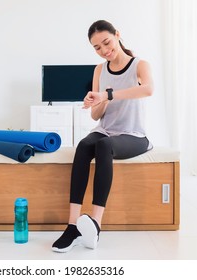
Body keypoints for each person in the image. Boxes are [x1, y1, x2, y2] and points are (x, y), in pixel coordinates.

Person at [52, 20, 154, 253]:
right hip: (105, 129)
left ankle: (96, 224)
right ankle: (72, 226)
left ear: (117, 35)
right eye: (97, 47)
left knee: (104, 146)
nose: (104, 50)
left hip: (133, 134)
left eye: (106, 42)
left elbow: (148, 89)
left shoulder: (139, 65)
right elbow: (96, 116)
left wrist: (108, 94)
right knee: (85, 145)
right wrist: (94, 101)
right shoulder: (99, 69)